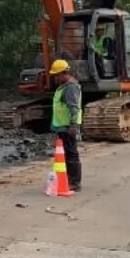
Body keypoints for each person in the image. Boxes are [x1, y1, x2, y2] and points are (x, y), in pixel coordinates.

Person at [48, 59, 82, 193]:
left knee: (72, 155)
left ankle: (75, 182)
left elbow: (73, 108)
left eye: (57, 75)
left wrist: (73, 126)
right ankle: (69, 179)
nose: (55, 78)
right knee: (67, 155)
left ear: (64, 73)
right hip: (62, 126)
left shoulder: (70, 87)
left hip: (68, 127)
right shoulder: (63, 87)